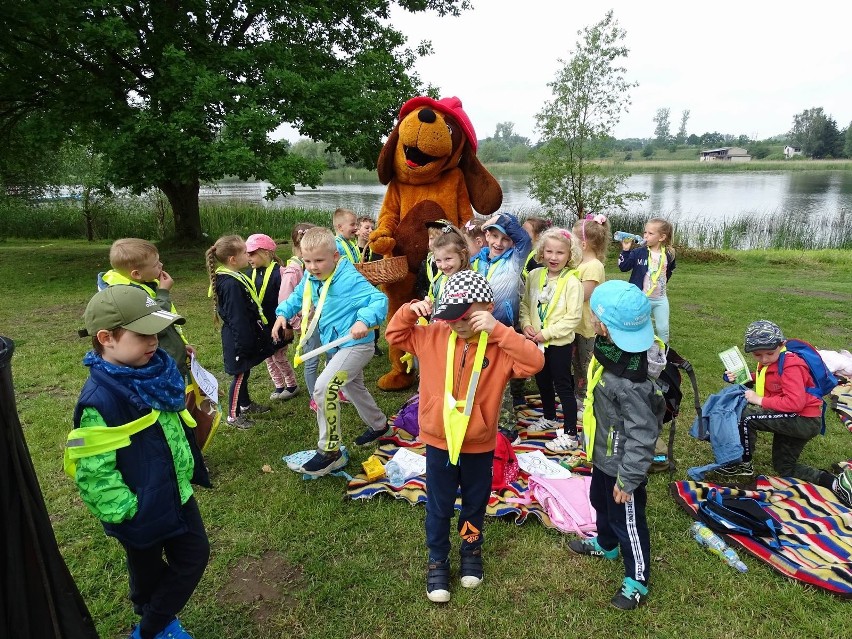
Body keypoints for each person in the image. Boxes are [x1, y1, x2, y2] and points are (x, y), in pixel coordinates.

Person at [385, 269, 544, 603]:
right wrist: (410, 309)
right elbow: (395, 335)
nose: (455, 323)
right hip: (438, 441)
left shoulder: (499, 344)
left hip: (479, 443)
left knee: (474, 502)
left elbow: (534, 363)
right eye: (449, 316)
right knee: (439, 505)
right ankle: (437, 560)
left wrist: (500, 331)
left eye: (464, 317)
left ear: (486, 307)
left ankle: (471, 551)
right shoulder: (433, 335)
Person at [69, 286, 209, 639]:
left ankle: (150, 625)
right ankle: (155, 626)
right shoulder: (99, 401)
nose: (154, 342)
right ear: (106, 338)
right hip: (138, 505)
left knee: (193, 556)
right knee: (146, 572)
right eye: (143, 334)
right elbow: (93, 468)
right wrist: (127, 510)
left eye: (157, 334)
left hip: (176, 491)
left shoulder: (157, 373)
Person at [568, 279, 665, 610]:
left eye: (595, 317)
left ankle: (637, 578)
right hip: (603, 454)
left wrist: (629, 478)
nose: (592, 322)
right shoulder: (611, 348)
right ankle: (606, 543)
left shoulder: (630, 382)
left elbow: (642, 433)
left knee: (630, 523)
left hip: (623, 464)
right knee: (599, 499)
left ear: (604, 325)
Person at [272, 227, 389, 476]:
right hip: (336, 345)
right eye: (308, 261)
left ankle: (330, 451)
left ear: (335, 257)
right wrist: (282, 314)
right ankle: (380, 426)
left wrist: (364, 321)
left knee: (325, 387)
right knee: (352, 386)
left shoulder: (349, 278)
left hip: (357, 345)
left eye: (319, 261)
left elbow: (378, 300)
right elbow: (297, 295)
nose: (313, 267)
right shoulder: (313, 277)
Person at [713, 320, 852, 505]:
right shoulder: (775, 361)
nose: (764, 359)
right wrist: (740, 377)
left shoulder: (792, 365)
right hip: (800, 420)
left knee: (746, 417)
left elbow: (795, 402)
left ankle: (742, 464)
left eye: (769, 353)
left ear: (781, 345)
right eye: (757, 355)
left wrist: (759, 400)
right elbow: (768, 378)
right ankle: (835, 484)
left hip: (801, 419)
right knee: (785, 467)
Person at [519, 228, 584, 449]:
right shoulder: (535, 275)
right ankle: (549, 416)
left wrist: (546, 333)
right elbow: (526, 304)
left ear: (569, 255)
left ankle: (570, 434)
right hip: (536, 342)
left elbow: (573, 318)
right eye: (549, 252)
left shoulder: (572, 282)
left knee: (563, 385)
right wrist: (526, 324)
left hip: (558, 343)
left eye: (560, 253)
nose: (553, 257)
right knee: (542, 381)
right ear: (542, 252)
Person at [472, 212, 532, 438]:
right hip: (478, 327)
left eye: (505, 238)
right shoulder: (475, 260)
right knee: (489, 372)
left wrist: (501, 218)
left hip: (504, 326)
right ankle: (491, 412)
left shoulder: (515, 259)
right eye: (494, 236)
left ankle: (507, 428)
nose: (499, 243)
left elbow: (525, 240)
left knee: (502, 373)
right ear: (486, 236)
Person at [98, 238, 194, 378]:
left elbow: (168, 325)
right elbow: (157, 321)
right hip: (158, 363)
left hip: (168, 353)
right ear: (136, 274)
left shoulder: (145, 283)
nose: (161, 265)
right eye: (156, 265)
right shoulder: (128, 294)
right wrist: (163, 292)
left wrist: (180, 346)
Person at [206, 235, 274, 429]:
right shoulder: (230, 284)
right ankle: (233, 416)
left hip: (242, 335)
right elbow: (237, 317)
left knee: (246, 371)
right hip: (238, 338)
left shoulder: (232, 278)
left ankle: (245, 405)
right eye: (245, 252)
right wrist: (244, 343)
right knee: (239, 375)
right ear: (233, 259)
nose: (248, 255)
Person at [245, 233, 300, 402]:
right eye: (247, 253)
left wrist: (288, 326)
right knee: (268, 357)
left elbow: (287, 300)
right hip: (261, 326)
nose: (249, 257)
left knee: (279, 357)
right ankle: (279, 386)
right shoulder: (250, 273)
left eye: (253, 253)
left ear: (266, 253)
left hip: (278, 324)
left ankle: (291, 385)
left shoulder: (280, 273)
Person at [570, 213, 610, 422]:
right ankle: (579, 397)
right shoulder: (579, 263)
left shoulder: (593, 266)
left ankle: (590, 400)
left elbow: (584, 295)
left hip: (587, 326)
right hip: (576, 325)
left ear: (583, 244)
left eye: (573, 240)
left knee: (587, 365)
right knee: (577, 363)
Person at [618, 217, 676, 345]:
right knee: (641, 327)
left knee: (663, 329)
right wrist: (626, 251)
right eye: (645, 232)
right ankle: (639, 350)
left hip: (660, 300)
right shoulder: (638, 252)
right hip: (641, 298)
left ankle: (662, 354)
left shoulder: (668, 254)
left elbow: (669, 271)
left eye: (650, 233)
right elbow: (623, 267)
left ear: (661, 237)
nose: (646, 236)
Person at [356, 215, 383, 356]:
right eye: (366, 227)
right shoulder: (352, 249)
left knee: (372, 314)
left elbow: (379, 270)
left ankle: (374, 343)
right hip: (354, 290)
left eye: (372, 228)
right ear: (357, 230)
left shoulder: (375, 251)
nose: (370, 230)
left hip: (371, 289)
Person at [424, 222, 470, 303]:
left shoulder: (470, 281)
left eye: (448, 259)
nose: (443, 266)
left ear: (462, 255)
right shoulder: (440, 280)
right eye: (438, 260)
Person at [414, 218, 453, 300]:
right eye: (431, 238)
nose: (434, 242)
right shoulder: (426, 263)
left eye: (438, 238)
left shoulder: (453, 262)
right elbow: (420, 286)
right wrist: (425, 297)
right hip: (430, 306)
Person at [521, 216, 551, 282]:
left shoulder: (537, 258)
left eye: (524, 231)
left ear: (538, 236)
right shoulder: (529, 251)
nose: (520, 234)